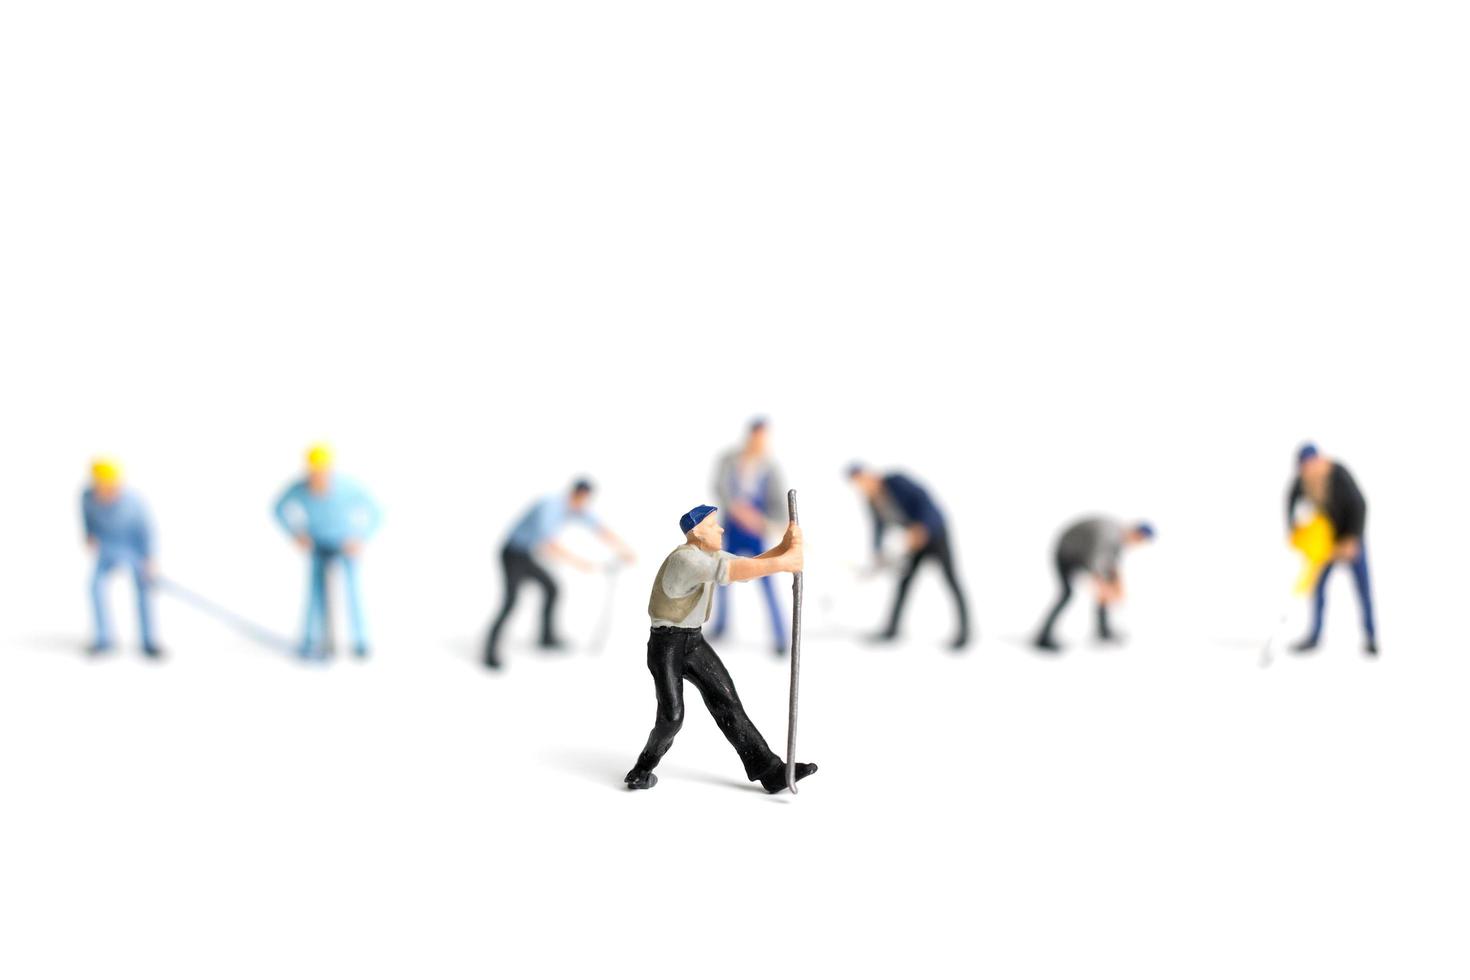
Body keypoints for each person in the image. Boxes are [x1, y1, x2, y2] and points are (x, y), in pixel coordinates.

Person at [624, 505, 816, 793]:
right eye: (714, 526)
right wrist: (785, 562)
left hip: (694, 641)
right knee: (671, 717)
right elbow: (734, 571)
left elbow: (747, 568)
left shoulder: (709, 555)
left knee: (727, 701)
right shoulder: (686, 560)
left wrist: (783, 548)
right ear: (697, 532)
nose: (721, 529)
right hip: (667, 645)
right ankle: (642, 768)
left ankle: (770, 770)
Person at [483, 479, 634, 670]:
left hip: (527, 555)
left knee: (552, 588)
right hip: (512, 555)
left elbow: (599, 528)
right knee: (511, 602)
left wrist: (624, 549)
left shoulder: (575, 508)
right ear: (576, 494)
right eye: (583, 500)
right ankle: (489, 653)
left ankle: (546, 638)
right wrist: (580, 563)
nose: (584, 505)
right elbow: (548, 543)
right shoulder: (551, 506)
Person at [273, 444, 382, 660]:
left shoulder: (347, 487)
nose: (318, 477)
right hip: (318, 543)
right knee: (315, 594)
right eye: (314, 472)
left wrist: (361, 538)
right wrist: (296, 534)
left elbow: (375, 510)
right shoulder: (299, 488)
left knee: (352, 592)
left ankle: (360, 640)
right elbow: (278, 508)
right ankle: (310, 639)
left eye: (322, 472)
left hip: (344, 543)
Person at [847, 464, 971, 650]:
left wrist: (922, 528)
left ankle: (964, 634)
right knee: (905, 582)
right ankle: (892, 629)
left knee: (951, 580)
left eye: (862, 480)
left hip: (936, 534)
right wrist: (877, 552)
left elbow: (925, 500)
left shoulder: (896, 481)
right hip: (915, 542)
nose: (862, 487)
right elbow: (878, 527)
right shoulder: (873, 500)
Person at [1287, 443, 1377, 655]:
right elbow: (1291, 500)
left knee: (1363, 589)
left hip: (1350, 538)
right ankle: (1314, 636)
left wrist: (1353, 539)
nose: (1309, 471)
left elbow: (1360, 504)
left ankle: (1371, 638)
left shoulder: (1339, 474)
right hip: (1326, 541)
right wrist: (1293, 529)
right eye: (1304, 468)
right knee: (1317, 588)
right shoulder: (1302, 482)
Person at [710, 418, 788, 654]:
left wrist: (763, 522)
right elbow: (720, 486)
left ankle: (780, 636)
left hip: (755, 533)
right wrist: (735, 508)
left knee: (766, 579)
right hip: (731, 528)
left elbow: (777, 508)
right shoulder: (729, 459)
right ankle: (722, 626)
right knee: (721, 575)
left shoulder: (770, 468)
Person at [1034, 518, 1155, 652]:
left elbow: (1111, 566)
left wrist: (1116, 585)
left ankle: (1103, 632)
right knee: (1067, 594)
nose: (1137, 544)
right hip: (1067, 554)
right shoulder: (1108, 534)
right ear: (1136, 533)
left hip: (1082, 555)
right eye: (1139, 540)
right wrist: (1105, 587)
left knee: (1105, 586)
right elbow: (1095, 560)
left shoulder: (1120, 539)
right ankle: (1042, 637)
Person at [82, 458, 162, 657]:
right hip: (107, 549)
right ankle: (104, 639)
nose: (107, 490)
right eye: (102, 486)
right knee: (95, 586)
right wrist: (89, 534)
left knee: (143, 590)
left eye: (110, 486)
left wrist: (150, 558)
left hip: (133, 549)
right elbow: (86, 518)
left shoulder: (133, 502)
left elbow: (147, 530)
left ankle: (149, 641)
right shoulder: (87, 498)